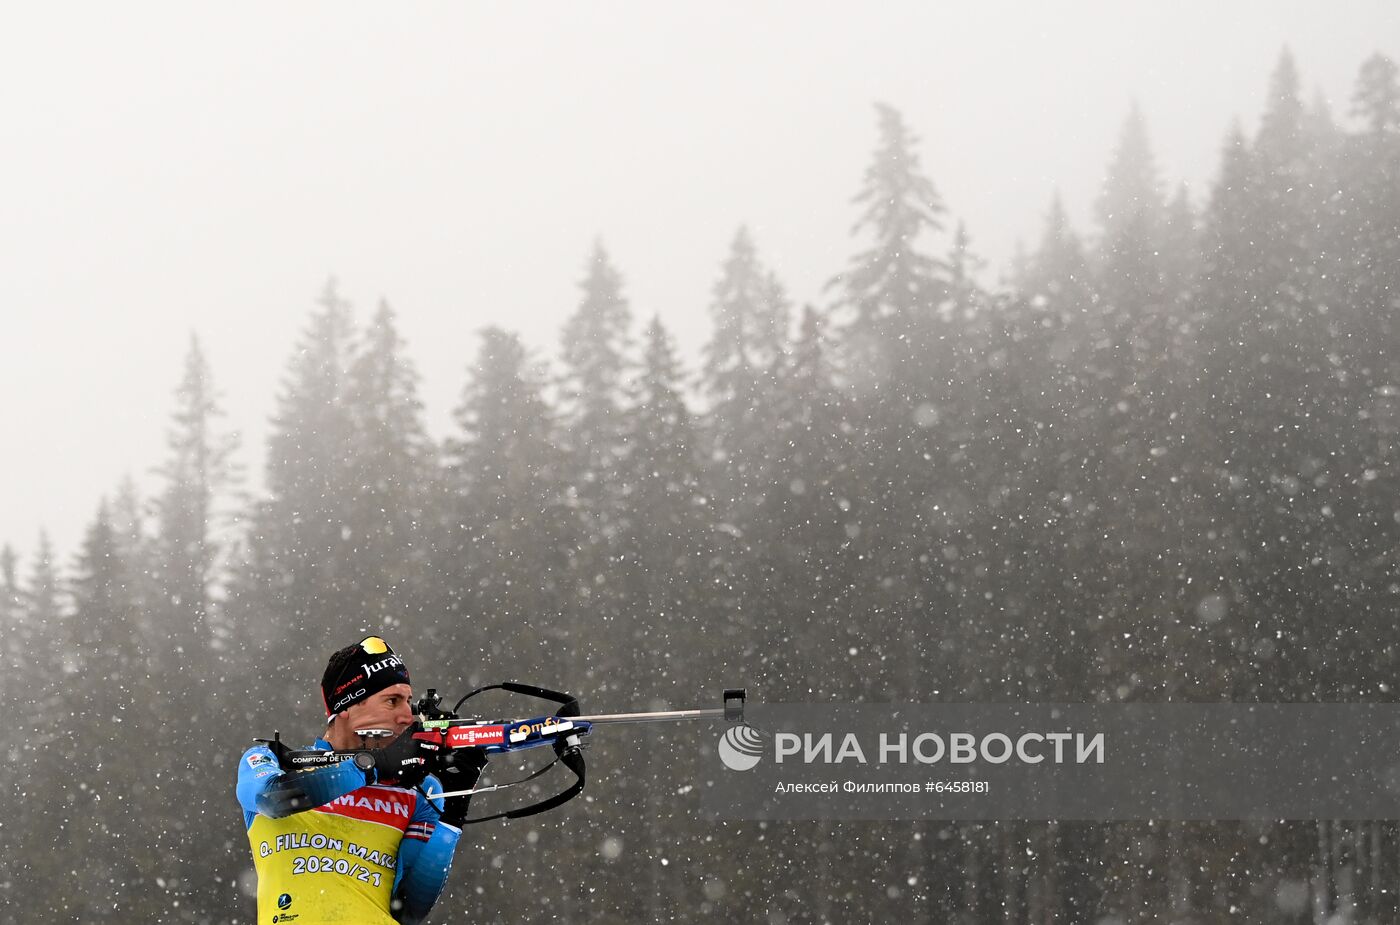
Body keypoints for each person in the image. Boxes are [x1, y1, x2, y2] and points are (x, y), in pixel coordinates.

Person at [236, 635, 482, 924]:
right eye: (392, 701)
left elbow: (408, 910)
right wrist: (370, 768)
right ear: (348, 706)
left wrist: (452, 814)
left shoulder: (418, 790)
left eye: (409, 702)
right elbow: (272, 798)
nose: (408, 716)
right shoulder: (272, 761)